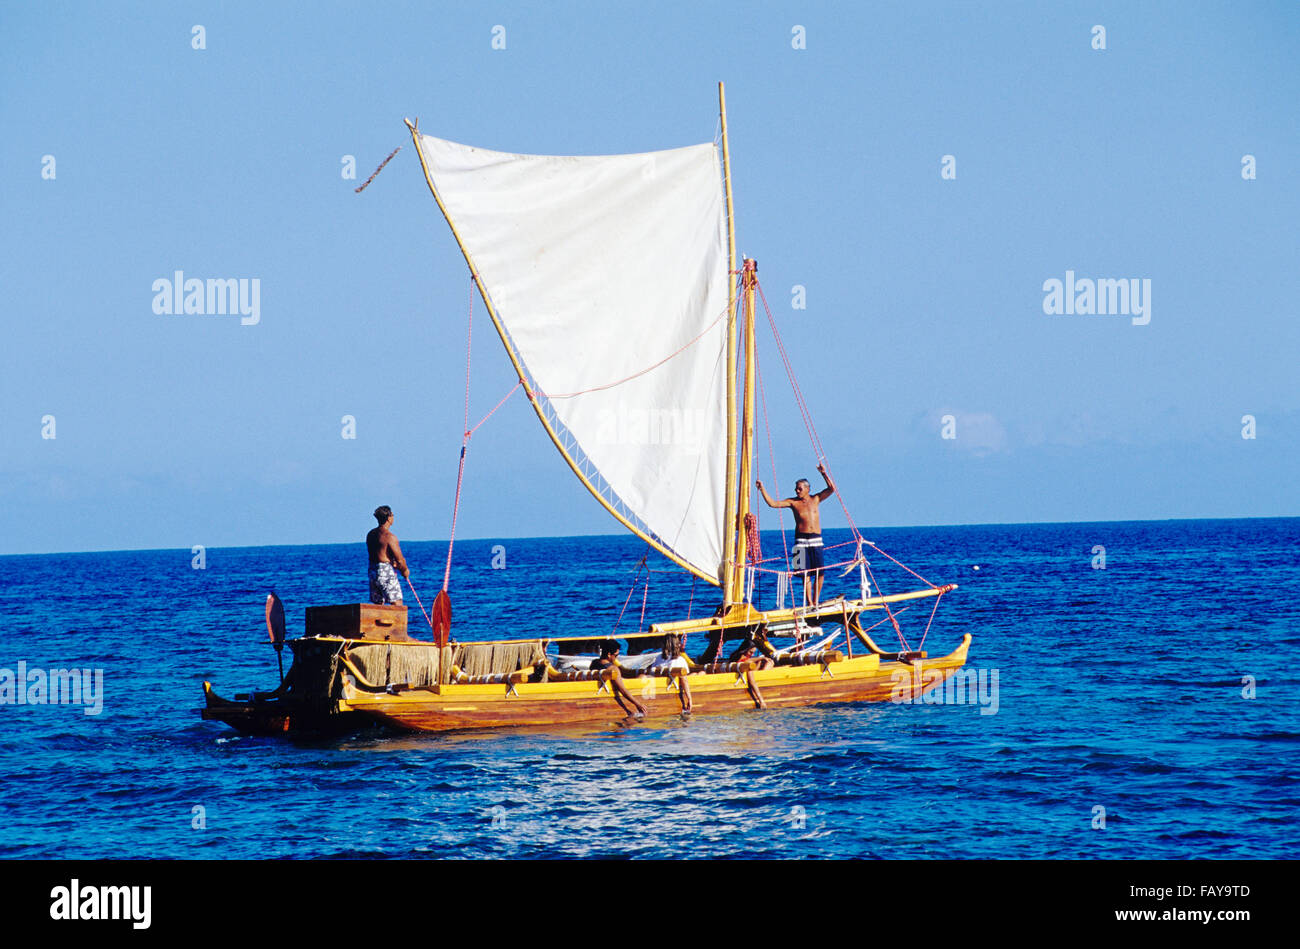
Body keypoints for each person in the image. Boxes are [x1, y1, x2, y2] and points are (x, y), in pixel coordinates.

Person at [756, 464, 837, 606]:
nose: (797, 491)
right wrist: (762, 489)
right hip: (800, 541)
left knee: (820, 573)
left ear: (807, 489)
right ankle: (809, 602)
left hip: (816, 540)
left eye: (800, 488)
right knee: (804, 574)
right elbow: (772, 504)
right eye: (796, 488)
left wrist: (824, 473)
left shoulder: (816, 499)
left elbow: (832, 489)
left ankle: (816, 600)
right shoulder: (793, 502)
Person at [590, 639, 647, 719]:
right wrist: (638, 704)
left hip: (601, 689)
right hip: (617, 691)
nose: (616, 658)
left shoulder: (594, 663)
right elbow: (623, 690)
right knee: (642, 677)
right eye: (616, 656)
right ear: (609, 655)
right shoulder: (613, 669)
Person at [366, 505, 409, 605]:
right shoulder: (390, 537)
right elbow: (400, 560)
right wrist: (405, 570)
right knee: (397, 603)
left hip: (373, 571)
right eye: (393, 515)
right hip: (385, 571)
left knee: (378, 606)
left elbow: (378, 553)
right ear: (389, 518)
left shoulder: (371, 534)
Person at [650, 634, 693, 713]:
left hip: (659, 684)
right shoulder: (680, 660)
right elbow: (684, 680)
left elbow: (652, 671)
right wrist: (689, 698)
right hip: (672, 685)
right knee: (700, 673)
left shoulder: (659, 658)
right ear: (677, 645)